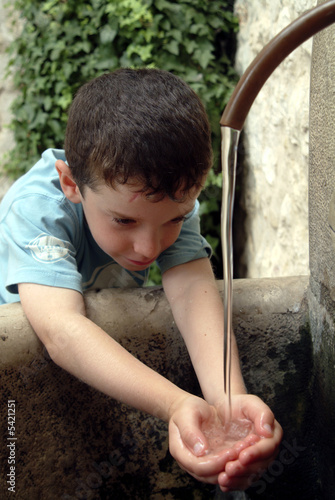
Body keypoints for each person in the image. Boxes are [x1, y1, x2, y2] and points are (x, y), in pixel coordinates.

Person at [0, 68, 282, 492]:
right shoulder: (37, 209)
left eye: (175, 220)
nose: (149, 248)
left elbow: (191, 289)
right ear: (71, 183)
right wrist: (175, 404)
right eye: (123, 220)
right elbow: (61, 330)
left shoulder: (163, 199)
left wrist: (227, 401)